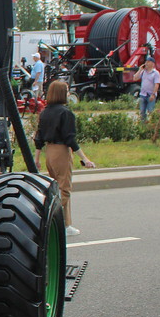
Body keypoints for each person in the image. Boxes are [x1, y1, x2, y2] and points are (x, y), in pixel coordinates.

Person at [35, 79, 95, 236]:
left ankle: (67, 224)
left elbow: (38, 137)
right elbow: (70, 139)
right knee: (64, 190)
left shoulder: (45, 112)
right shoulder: (66, 113)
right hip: (61, 151)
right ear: (62, 93)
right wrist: (85, 158)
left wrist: (37, 158)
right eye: (67, 90)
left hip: (49, 151)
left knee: (56, 187)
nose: (69, 94)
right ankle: (49, 221)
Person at [133, 55, 160, 120]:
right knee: (142, 112)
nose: (146, 63)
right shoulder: (143, 72)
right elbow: (135, 78)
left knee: (150, 111)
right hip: (143, 94)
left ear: (152, 64)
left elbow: (156, 84)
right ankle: (143, 125)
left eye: (148, 62)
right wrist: (140, 70)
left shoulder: (156, 73)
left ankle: (151, 125)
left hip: (150, 95)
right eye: (146, 62)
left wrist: (153, 94)